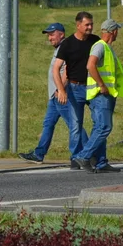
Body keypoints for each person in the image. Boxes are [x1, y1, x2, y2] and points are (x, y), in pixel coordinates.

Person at [18, 23, 83, 164]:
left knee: (74, 124)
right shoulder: (61, 48)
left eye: (52, 34)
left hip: (62, 95)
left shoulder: (66, 47)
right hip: (55, 96)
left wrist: (61, 90)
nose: (50, 38)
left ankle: (89, 152)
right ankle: (39, 154)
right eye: (48, 35)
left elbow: (68, 71)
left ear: (61, 34)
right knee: (48, 123)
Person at [73, 19, 123, 173]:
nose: (118, 33)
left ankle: (101, 162)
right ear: (113, 31)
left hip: (106, 95)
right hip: (100, 95)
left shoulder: (107, 48)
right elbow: (90, 65)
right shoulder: (100, 46)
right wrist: (102, 85)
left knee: (100, 127)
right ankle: (84, 156)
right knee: (104, 127)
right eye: (117, 30)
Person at [52, 11, 100, 168]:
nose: (90, 27)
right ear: (78, 25)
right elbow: (56, 68)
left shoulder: (95, 41)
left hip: (92, 88)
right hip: (75, 88)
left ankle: (92, 155)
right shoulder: (68, 44)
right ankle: (75, 157)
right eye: (87, 25)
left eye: (91, 24)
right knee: (75, 125)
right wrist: (61, 90)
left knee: (99, 122)